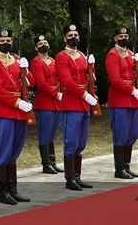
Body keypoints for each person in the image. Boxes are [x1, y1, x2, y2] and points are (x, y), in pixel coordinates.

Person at [0, 28, 34, 204]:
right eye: (2, 40)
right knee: (3, 151)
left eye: (8, 39)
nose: (6, 42)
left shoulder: (17, 59)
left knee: (14, 152)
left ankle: (13, 189)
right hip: (5, 111)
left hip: (20, 112)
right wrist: (17, 103)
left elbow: (30, 82)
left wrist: (26, 71)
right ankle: (3, 193)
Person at [55, 24, 99, 190]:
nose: (74, 37)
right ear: (65, 38)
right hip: (72, 103)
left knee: (81, 142)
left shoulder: (81, 55)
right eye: (70, 35)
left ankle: (77, 176)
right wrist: (84, 94)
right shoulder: (62, 57)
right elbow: (67, 81)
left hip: (84, 105)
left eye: (76, 34)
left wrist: (92, 67)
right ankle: (70, 179)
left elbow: (89, 77)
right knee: (71, 141)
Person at [106, 26, 138, 178]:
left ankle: (126, 165)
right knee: (121, 133)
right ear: (115, 38)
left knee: (132, 134)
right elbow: (115, 79)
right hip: (120, 99)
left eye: (126, 35)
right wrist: (132, 90)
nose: (124, 38)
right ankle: (119, 168)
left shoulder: (131, 54)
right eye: (121, 36)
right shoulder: (113, 55)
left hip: (133, 100)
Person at [29, 34, 64, 174]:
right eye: (40, 44)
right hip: (45, 101)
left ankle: (53, 161)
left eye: (45, 42)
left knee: (52, 133)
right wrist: (56, 94)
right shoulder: (37, 62)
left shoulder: (52, 60)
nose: (43, 45)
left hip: (57, 101)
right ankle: (46, 164)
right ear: (36, 47)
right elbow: (41, 83)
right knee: (45, 133)